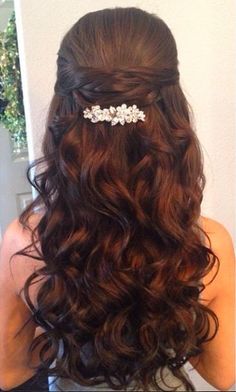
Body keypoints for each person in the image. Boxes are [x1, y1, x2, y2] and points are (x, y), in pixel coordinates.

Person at [0, 7, 235, 392]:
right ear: (171, 113)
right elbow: (224, 374)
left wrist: (69, 320)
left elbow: (8, 373)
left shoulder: (25, 242)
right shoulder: (205, 246)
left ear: (66, 113)